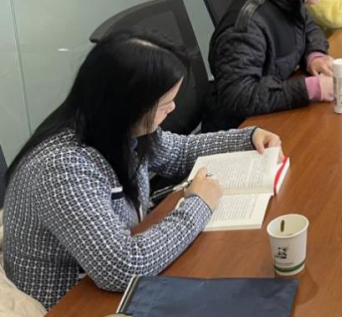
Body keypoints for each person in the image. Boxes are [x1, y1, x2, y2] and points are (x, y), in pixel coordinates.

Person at [2, 32, 282, 309]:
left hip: (109, 280)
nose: (172, 108)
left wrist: (247, 138)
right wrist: (198, 204)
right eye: (164, 105)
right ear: (126, 105)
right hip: (72, 303)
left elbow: (180, 152)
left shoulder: (116, 128)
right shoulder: (62, 169)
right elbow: (123, 267)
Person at [205, 0, 342, 131]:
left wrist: (315, 55)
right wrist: (308, 89)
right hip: (241, 130)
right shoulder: (248, 25)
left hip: (274, 116)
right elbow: (238, 95)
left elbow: (309, 27)